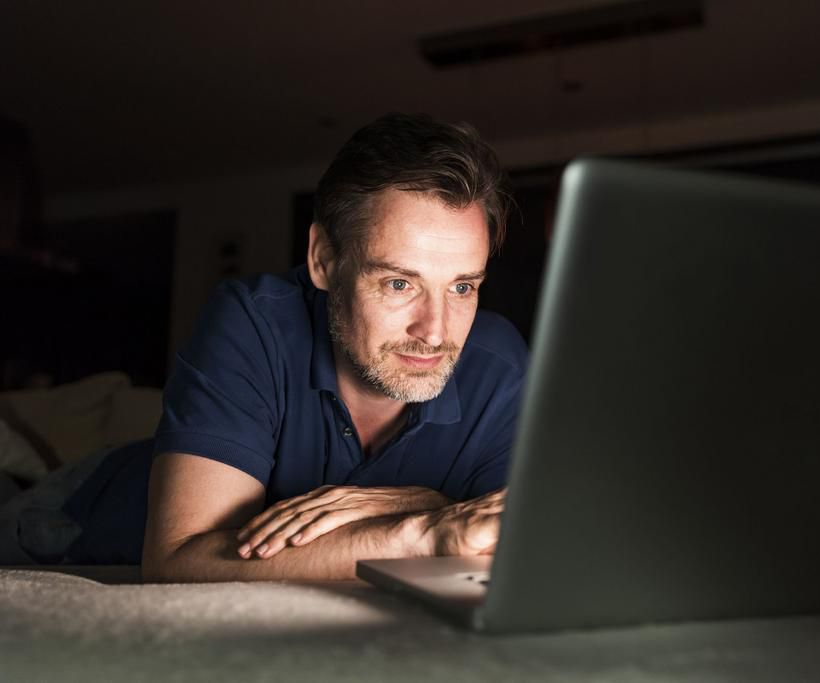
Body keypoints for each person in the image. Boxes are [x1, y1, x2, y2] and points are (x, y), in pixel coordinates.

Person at [0, 113, 528, 579]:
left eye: (462, 287)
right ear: (323, 260)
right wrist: (422, 530)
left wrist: (430, 504)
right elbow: (178, 556)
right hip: (73, 514)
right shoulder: (253, 320)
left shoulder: (499, 366)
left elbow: (516, 534)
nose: (434, 331)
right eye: (398, 283)